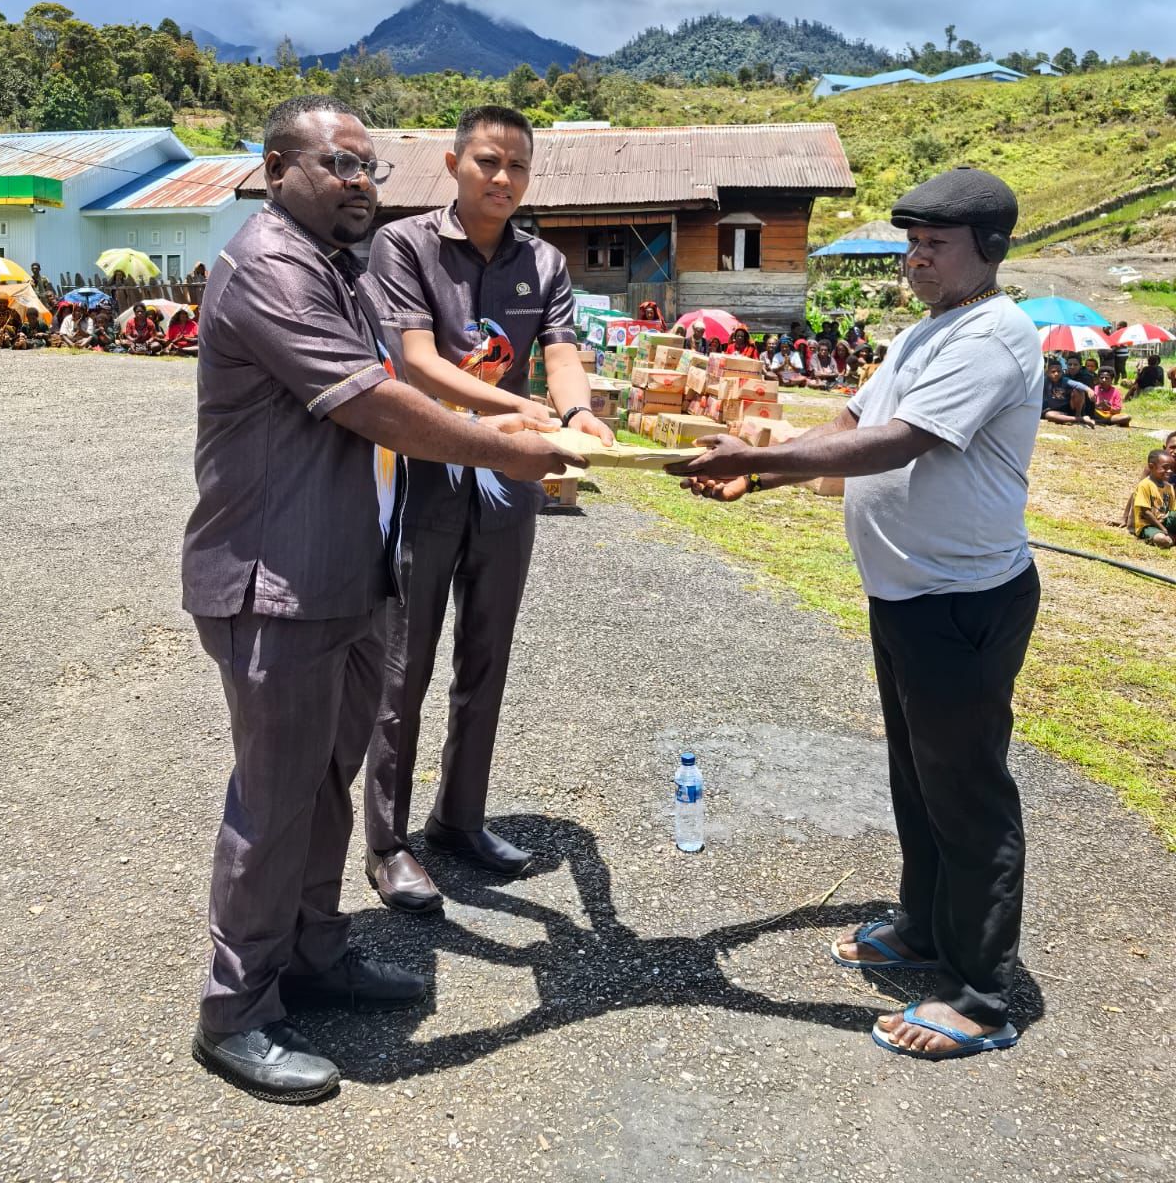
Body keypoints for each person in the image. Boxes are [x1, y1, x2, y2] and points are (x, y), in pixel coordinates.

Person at [183, 95, 581, 1104]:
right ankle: (236, 1009)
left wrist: (534, 410)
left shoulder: (339, 267)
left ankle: (314, 954)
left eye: (369, 167)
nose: (360, 181)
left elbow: (412, 372)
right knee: (274, 801)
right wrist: (519, 446)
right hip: (275, 582)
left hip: (345, 574)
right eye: (337, 165)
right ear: (278, 170)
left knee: (323, 784)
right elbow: (380, 402)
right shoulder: (272, 268)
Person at [674, 167, 1042, 1061]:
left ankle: (984, 995)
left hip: (962, 600)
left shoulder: (995, 336)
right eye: (911, 243)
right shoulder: (927, 333)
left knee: (967, 792)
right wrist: (756, 469)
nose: (917, 259)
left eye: (936, 244)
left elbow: (899, 441)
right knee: (917, 778)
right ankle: (924, 931)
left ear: (989, 249)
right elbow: (849, 419)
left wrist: (773, 465)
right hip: (909, 597)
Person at [363, 104, 615, 916]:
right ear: (451, 163)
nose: (502, 178)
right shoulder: (402, 246)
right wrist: (516, 410)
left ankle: (459, 819)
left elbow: (563, 356)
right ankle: (388, 843)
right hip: (425, 471)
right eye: (486, 162)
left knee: (486, 657)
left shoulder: (543, 263)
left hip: (507, 484)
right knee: (404, 665)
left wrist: (573, 414)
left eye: (517, 167)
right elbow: (418, 361)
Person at [1130, 450, 1176, 548]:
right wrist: (1164, 529)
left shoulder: (1169, 487)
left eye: (1171, 468)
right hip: (1147, 525)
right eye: (1165, 467)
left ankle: (1171, 537)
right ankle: (1169, 537)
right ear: (1151, 466)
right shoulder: (1145, 485)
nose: (1169, 471)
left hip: (1165, 521)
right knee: (1162, 540)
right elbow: (1145, 512)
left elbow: (1172, 511)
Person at [1041, 359, 1094, 429]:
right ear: (1047, 372)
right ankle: (1081, 419)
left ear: (1062, 372)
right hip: (1053, 410)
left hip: (1067, 409)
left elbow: (1078, 385)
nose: (1056, 374)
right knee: (1049, 415)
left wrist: (1089, 390)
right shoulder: (1044, 381)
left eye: (1058, 371)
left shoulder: (1065, 380)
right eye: (1053, 372)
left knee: (1079, 391)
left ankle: (1077, 415)